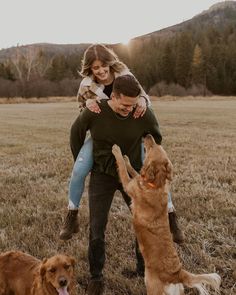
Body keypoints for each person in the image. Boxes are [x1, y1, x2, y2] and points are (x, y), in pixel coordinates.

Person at [59, 43, 184, 245]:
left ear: (109, 63)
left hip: (131, 132)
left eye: (102, 66)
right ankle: (71, 216)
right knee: (79, 168)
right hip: (104, 134)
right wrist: (87, 105)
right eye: (94, 68)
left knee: (153, 169)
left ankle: (171, 216)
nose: (100, 71)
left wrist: (143, 100)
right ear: (89, 68)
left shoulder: (124, 74)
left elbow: (141, 96)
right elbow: (82, 112)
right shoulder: (86, 85)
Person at [69, 74, 180, 294]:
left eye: (133, 104)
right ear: (114, 96)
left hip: (134, 176)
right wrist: (83, 161)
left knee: (143, 223)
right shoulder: (95, 111)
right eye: (124, 105)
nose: (129, 109)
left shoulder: (141, 112)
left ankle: (141, 267)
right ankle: (96, 277)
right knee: (97, 227)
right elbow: (76, 134)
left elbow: (156, 138)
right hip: (102, 175)